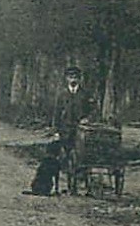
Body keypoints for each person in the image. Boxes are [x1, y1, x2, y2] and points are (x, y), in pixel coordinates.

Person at [25, 65, 91, 195]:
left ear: (80, 79)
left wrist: (87, 119)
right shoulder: (62, 94)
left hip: (80, 130)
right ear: (66, 79)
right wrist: (55, 130)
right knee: (65, 158)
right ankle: (67, 184)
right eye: (70, 77)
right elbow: (56, 113)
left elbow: (91, 110)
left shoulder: (84, 94)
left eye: (76, 77)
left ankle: (79, 184)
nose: (73, 80)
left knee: (81, 158)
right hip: (65, 130)